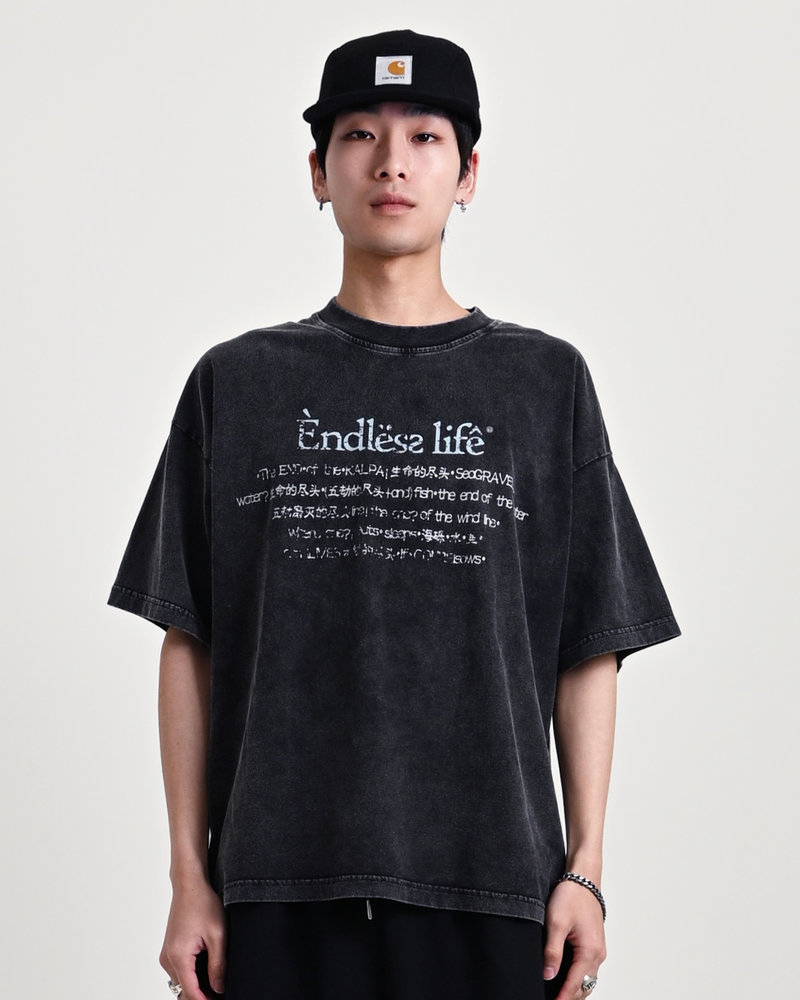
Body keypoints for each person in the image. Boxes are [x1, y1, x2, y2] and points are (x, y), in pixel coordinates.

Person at [107, 28, 681, 1000]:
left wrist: (584, 869)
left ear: (467, 174)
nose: (391, 162)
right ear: (318, 171)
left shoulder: (543, 384)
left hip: (496, 889)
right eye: (359, 134)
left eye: (424, 136)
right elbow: (188, 640)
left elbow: (590, 642)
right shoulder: (238, 384)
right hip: (275, 890)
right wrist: (188, 878)